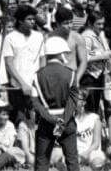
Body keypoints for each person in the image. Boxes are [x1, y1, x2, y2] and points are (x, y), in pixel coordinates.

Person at [31, 36, 78, 171]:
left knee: (42, 162)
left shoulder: (37, 75)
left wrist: (52, 119)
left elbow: (35, 102)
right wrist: (63, 119)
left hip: (46, 121)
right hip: (67, 121)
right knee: (72, 161)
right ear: (60, 53)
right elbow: (73, 100)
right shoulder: (71, 74)